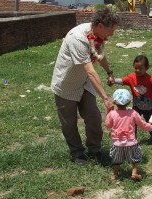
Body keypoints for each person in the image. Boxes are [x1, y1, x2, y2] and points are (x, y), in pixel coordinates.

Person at [51, 8, 120, 165]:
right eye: (111, 30)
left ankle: (94, 150)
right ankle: (77, 153)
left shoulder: (97, 35)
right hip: (66, 84)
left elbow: (100, 55)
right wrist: (105, 98)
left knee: (94, 117)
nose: (112, 34)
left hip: (84, 83)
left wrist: (109, 71)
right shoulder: (78, 38)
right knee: (69, 123)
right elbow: (90, 71)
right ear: (101, 25)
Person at [105, 89, 152, 180]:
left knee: (116, 160)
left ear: (114, 102)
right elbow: (141, 124)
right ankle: (134, 172)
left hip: (117, 143)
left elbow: (108, 125)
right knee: (135, 158)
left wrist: (108, 111)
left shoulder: (112, 114)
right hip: (131, 142)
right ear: (129, 102)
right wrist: (150, 127)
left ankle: (115, 175)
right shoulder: (133, 113)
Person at [112, 55, 152, 142]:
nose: (137, 70)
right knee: (133, 122)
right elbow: (122, 81)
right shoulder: (132, 77)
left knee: (150, 121)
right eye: (136, 68)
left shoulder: (151, 80)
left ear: (147, 68)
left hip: (149, 107)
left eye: (140, 68)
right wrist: (113, 80)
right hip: (136, 106)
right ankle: (132, 138)